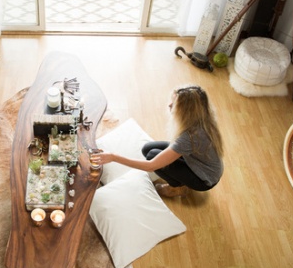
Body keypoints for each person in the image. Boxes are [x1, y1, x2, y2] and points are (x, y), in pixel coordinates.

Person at [91, 85, 224, 198]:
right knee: (147, 149)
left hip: (204, 179)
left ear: (186, 112)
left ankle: (177, 188)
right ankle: (181, 178)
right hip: (198, 162)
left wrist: (113, 157)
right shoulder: (203, 120)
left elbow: (151, 166)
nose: (169, 105)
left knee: (152, 157)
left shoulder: (190, 137)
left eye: (174, 103)